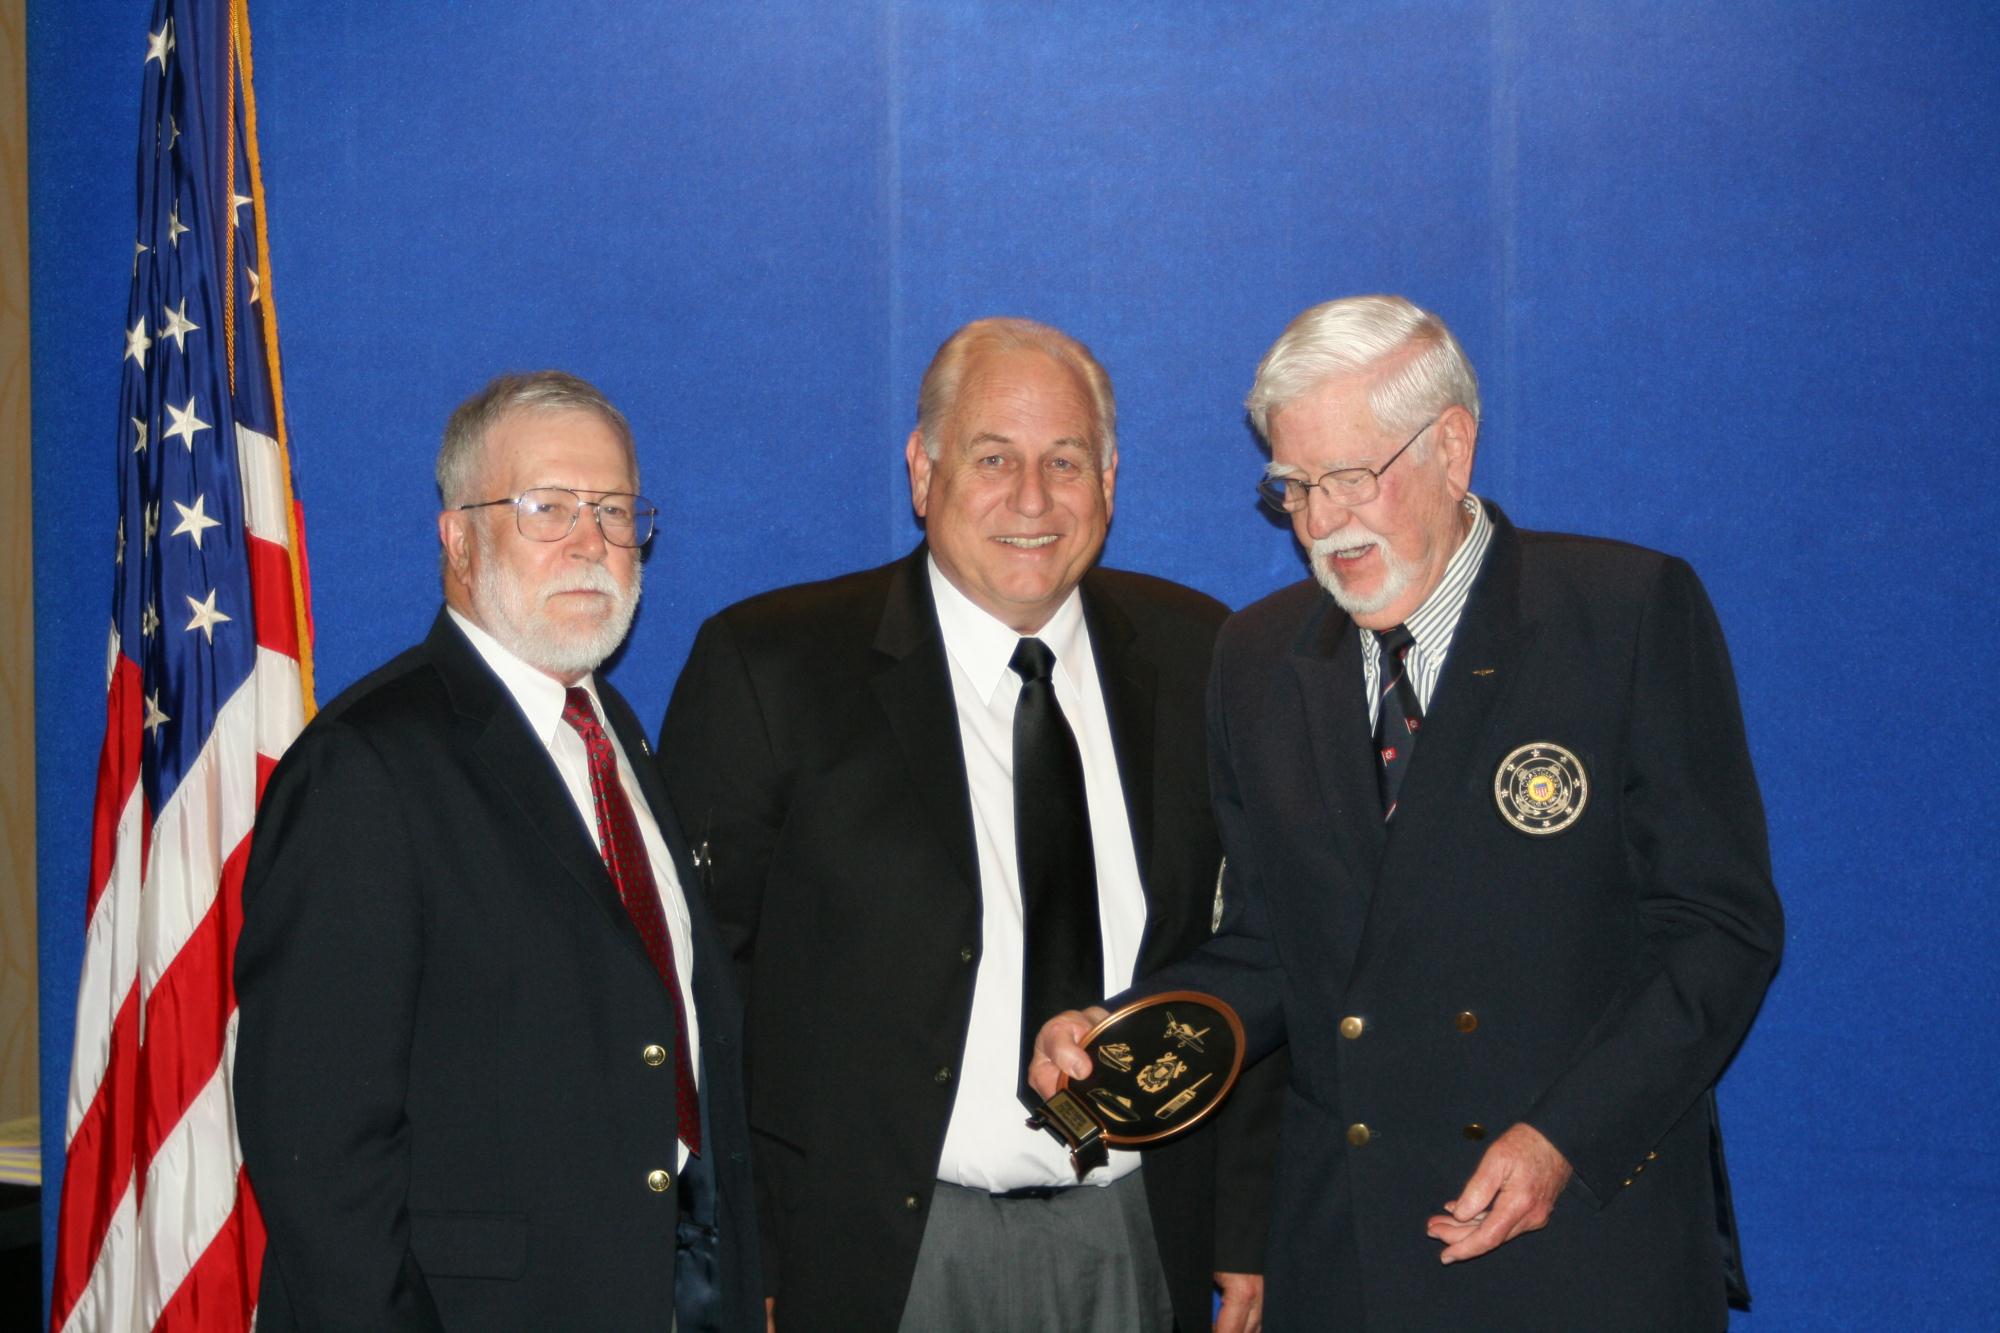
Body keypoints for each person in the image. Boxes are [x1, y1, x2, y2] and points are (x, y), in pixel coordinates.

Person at [1034, 295, 1783, 1330]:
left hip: (1576, 1246)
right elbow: (1267, 948)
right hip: (1351, 1254)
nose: (1320, 522)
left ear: (1451, 446)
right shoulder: (1257, 658)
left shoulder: (1620, 615)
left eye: (1350, 476)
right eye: (1294, 486)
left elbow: (1719, 929)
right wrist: (1120, 1032)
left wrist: (1562, 1139)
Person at [658, 318, 1280, 1332]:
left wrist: (1243, 1222)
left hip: (1135, 1237)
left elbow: (1253, 941)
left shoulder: (1200, 653)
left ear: (1109, 480)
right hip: (875, 1256)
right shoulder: (771, 669)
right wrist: (743, 1247)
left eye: (1064, 460)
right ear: (923, 470)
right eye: (992, 458)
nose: (1031, 498)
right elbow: (700, 985)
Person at [235, 371, 761, 1330]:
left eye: (613, 510)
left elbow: (677, 1039)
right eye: (546, 507)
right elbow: (320, 1153)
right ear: (458, 538)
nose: (590, 542)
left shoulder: (614, 731)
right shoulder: (365, 767)